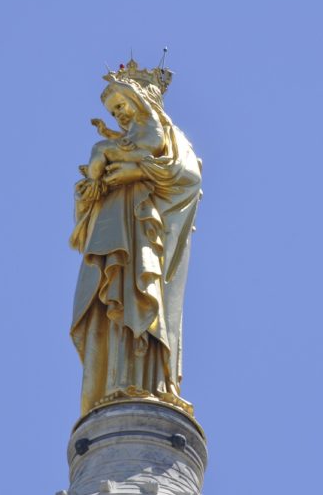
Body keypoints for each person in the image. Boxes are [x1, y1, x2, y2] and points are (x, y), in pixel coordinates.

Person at [70, 62, 202, 416]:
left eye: (122, 106)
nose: (119, 115)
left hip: (148, 233)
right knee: (113, 302)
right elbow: (88, 196)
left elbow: (188, 178)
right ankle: (113, 380)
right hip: (114, 231)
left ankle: (150, 382)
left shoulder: (169, 138)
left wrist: (136, 170)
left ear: (140, 98)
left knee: (145, 296)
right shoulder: (121, 142)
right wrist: (95, 186)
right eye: (114, 112)